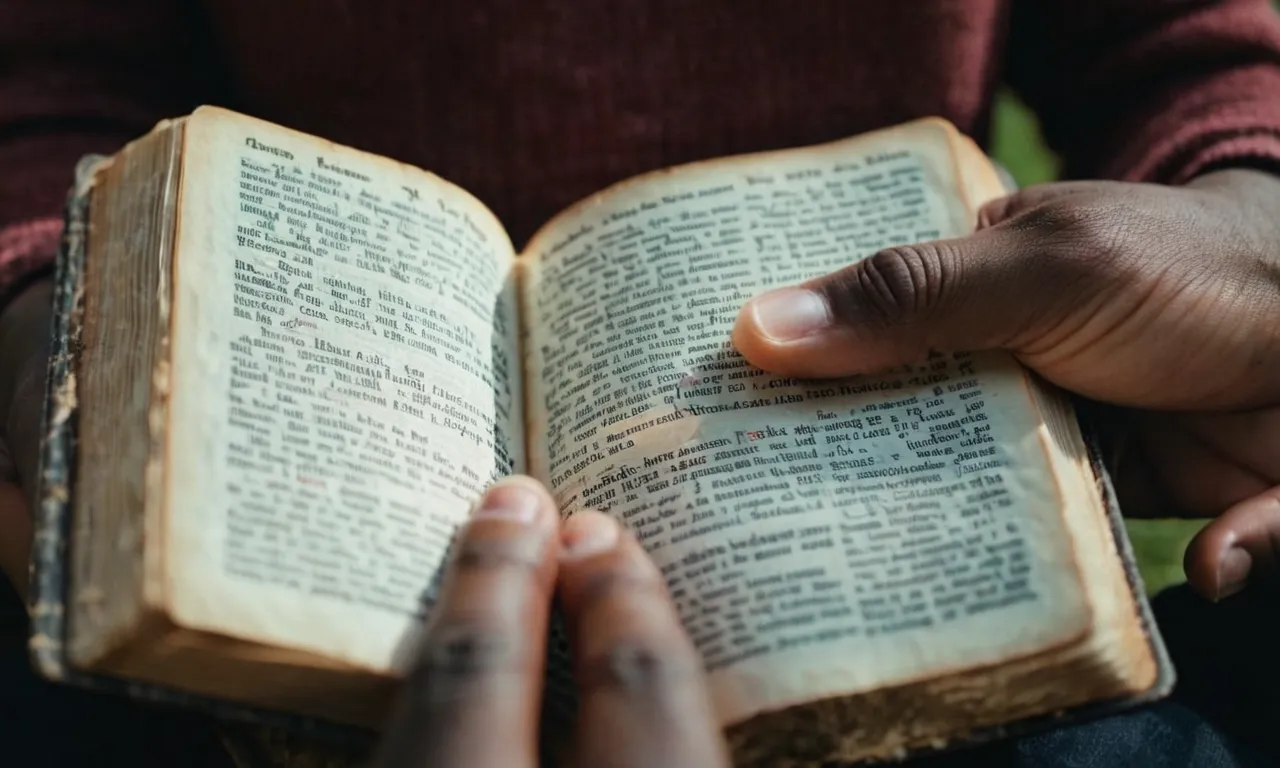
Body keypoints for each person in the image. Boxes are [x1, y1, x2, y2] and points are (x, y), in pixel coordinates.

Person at [2, 1, 1279, 765]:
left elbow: (1184, 40)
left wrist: (1253, 213)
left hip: (895, 562)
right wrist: (66, 339)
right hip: (294, 583)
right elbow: (49, 76)